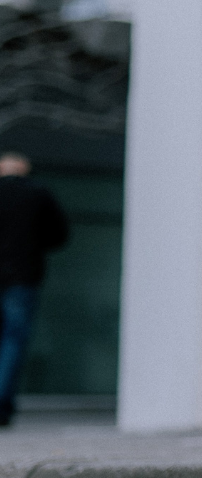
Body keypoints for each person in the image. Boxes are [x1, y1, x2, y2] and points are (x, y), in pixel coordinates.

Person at [0, 151, 71, 426]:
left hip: (19, 276)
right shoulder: (38, 193)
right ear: (24, 169)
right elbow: (59, 234)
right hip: (22, 276)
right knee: (12, 341)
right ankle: (2, 404)